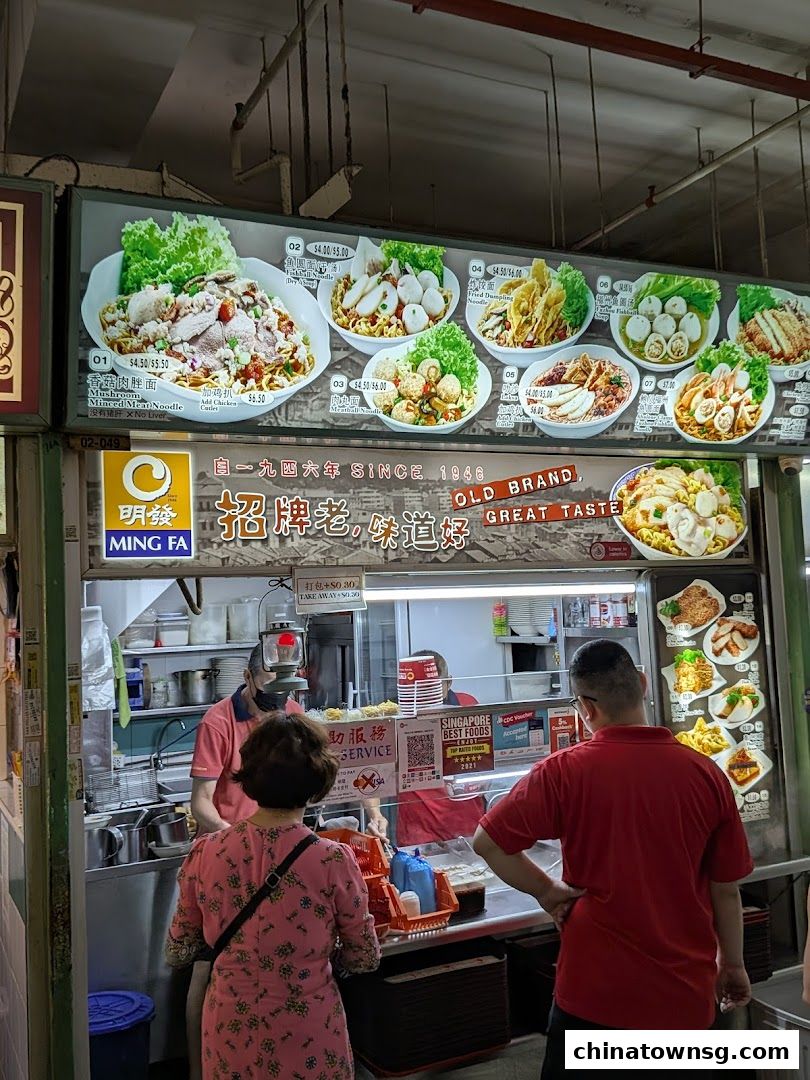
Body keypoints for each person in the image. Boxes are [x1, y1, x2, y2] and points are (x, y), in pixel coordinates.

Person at [473, 639, 753, 1078]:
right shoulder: (706, 774)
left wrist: (548, 892)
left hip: (592, 996)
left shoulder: (561, 771)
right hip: (683, 998)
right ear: (643, 684)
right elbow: (726, 889)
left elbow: (487, 843)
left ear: (585, 707)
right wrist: (732, 965)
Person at [167, 711, 381, 1080]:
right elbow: (364, 958)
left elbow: (178, 949)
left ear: (248, 778)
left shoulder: (206, 853)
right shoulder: (331, 859)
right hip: (308, 1033)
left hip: (230, 1032)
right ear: (318, 782)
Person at [368, 649, 484, 846]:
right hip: (419, 834)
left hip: (471, 828)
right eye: (417, 691)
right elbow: (371, 773)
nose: (424, 698)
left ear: (448, 683)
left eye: (431, 690)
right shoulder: (394, 719)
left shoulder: (469, 706)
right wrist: (375, 813)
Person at [190, 643, 302, 834]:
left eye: (283, 687)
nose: (277, 695)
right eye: (269, 685)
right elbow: (201, 802)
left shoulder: (294, 713)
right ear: (247, 676)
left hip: (279, 836)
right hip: (226, 839)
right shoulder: (217, 722)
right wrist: (236, 837)